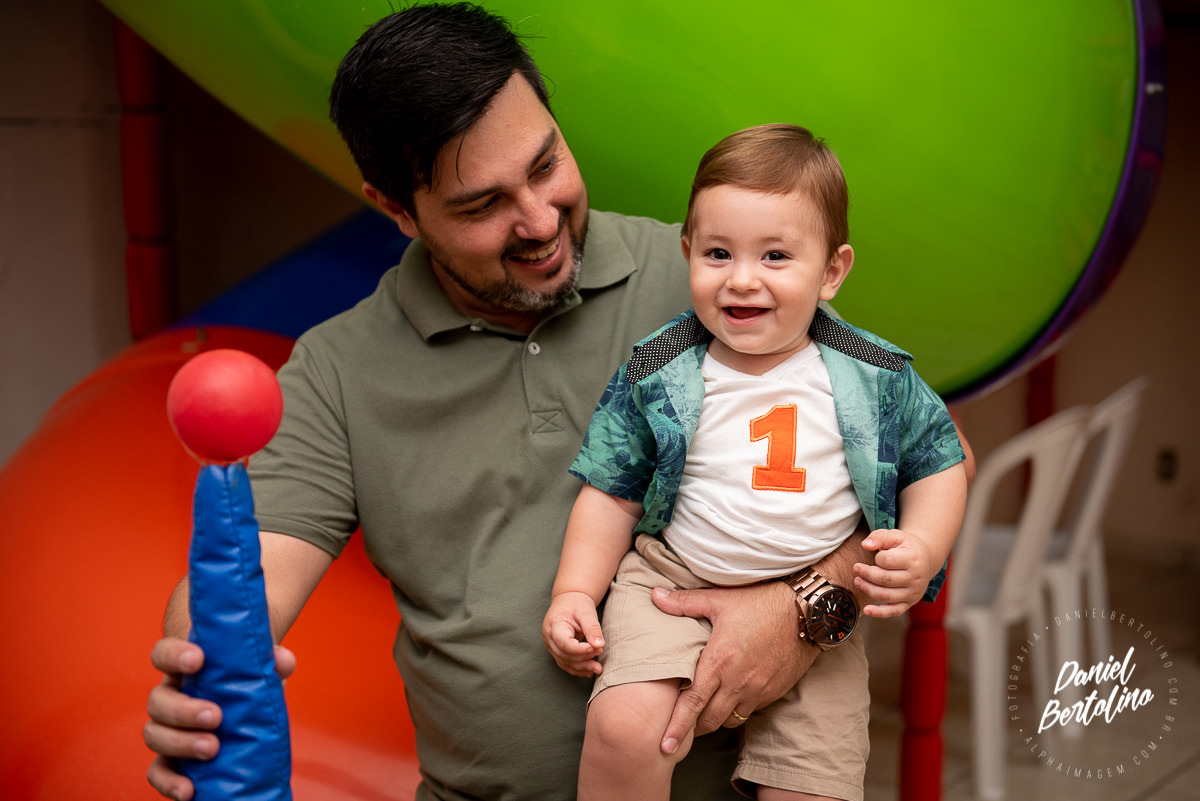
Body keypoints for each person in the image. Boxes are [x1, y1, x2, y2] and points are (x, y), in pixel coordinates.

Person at [143, 6, 973, 801]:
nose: (539, 220)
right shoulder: (337, 371)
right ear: (396, 208)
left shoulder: (711, 278)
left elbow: (940, 454)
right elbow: (244, 577)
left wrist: (807, 605)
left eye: (545, 165)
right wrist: (201, 667)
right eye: (482, 204)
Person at [542, 124, 968, 801]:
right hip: (670, 582)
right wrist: (572, 592)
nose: (742, 279)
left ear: (831, 272)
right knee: (625, 729)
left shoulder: (874, 375)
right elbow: (612, 490)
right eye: (718, 253)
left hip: (815, 610)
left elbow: (941, 461)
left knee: (815, 788)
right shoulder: (659, 368)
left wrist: (922, 543)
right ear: (688, 253)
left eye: (775, 256)